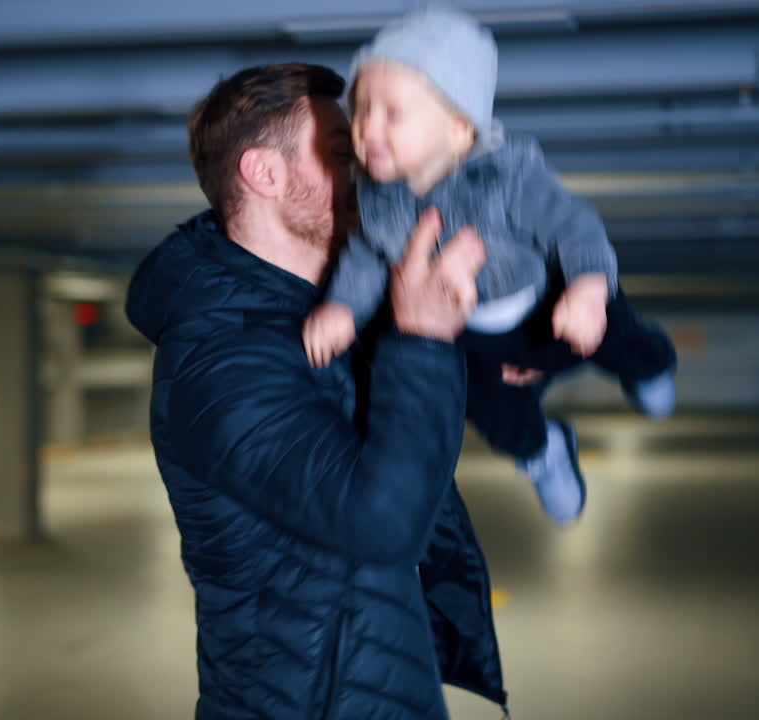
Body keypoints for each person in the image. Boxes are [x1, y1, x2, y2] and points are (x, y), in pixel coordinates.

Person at [125, 64, 508, 719]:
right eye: (339, 155)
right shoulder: (221, 360)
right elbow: (383, 523)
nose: (368, 172)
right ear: (264, 174)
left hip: (365, 684)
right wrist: (421, 340)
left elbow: (405, 447)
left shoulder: (320, 312)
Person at [303, 5, 677, 525]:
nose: (368, 126)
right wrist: (343, 308)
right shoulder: (377, 199)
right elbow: (368, 257)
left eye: (392, 112)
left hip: (551, 303)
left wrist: (587, 290)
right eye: (362, 109)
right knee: (487, 406)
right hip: (476, 333)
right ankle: (541, 451)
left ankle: (650, 367)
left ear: (460, 130)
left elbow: (575, 227)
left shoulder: (507, 177)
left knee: (617, 328)